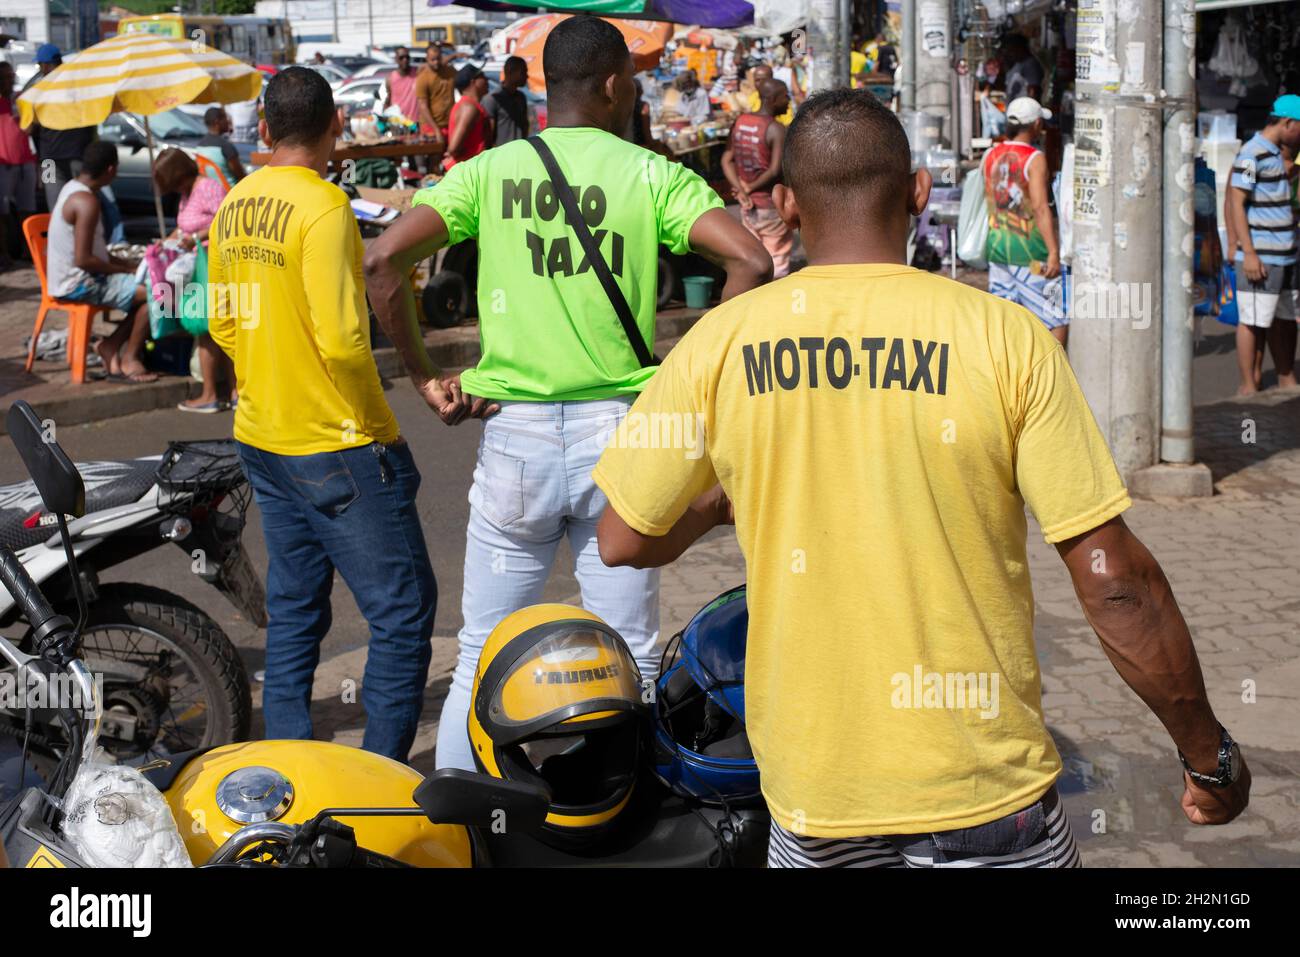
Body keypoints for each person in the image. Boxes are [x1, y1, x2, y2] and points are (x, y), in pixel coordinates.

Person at [592, 88, 1251, 868]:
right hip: (991, 795)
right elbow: (1113, 578)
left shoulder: (722, 342)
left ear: (791, 204)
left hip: (817, 798)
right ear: (917, 192)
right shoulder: (1006, 336)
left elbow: (623, 537)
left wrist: (719, 505)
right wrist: (1208, 753)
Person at [364, 14, 771, 772]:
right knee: (633, 653)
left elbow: (384, 260)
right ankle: (634, 819)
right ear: (615, 84)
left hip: (513, 435)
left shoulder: (491, 171)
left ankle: (459, 822)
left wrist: (424, 374)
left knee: (485, 646)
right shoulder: (652, 175)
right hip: (624, 437)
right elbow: (748, 258)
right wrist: (689, 381)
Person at [207, 67, 437, 763]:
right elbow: (342, 340)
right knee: (401, 615)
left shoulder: (234, 203)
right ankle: (379, 781)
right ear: (336, 126)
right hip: (333, 445)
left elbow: (221, 323)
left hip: (261, 437)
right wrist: (381, 430)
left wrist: (267, 370)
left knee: (297, 607)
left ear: (267, 132)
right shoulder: (326, 208)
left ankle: (288, 770)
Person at [45, 141, 154, 382]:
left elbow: (96, 253)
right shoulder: (87, 202)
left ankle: (111, 346)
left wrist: (130, 266)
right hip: (78, 283)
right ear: (111, 170)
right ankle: (128, 358)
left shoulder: (71, 188)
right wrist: (124, 268)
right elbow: (84, 260)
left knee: (150, 289)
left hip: (72, 277)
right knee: (159, 293)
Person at [1225, 93, 1300, 394]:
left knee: (1284, 318)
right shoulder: (1252, 154)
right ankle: (1248, 386)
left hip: (1285, 254)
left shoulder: (1277, 154)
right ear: (1288, 122)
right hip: (1261, 255)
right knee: (1252, 321)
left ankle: (1286, 377)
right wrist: (1248, 251)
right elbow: (1236, 201)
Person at [151, 148, 236, 413]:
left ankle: (214, 394)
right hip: (197, 266)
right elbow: (185, 226)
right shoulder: (187, 193)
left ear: (179, 175)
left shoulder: (208, 187)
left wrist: (196, 238)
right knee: (213, 326)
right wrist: (169, 241)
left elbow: (225, 218)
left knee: (210, 327)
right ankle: (231, 393)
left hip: (212, 265)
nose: (175, 189)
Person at [983, 97, 1066, 345]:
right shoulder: (1034, 158)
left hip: (997, 250)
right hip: (1031, 255)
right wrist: (1053, 253)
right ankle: (1056, 377)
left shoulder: (990, 155)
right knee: (1056, 318)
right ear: (1036, 123)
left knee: (1004, 322)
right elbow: (1040, 208)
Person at [722, 78, 795, 279]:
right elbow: (774, 171)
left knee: (754, 257)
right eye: (784, 96)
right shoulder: (775, 129)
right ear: (772, 99)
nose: (788, 100)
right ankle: (775, 302)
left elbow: (727, 160)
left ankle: (756, 298)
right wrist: (749, 188)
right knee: (777, 258)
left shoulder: (741, 122)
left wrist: (741, 189)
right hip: (769, 205)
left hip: (747, 205)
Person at [21, 45, 98, 211]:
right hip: (78, 155)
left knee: (54, 205)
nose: (40, 69)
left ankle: (58, 236)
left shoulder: (39, 91)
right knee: (84, 201)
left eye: (40, 65)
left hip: (48, 160)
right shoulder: (79, 85)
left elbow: (28, 128)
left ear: (46, 65)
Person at [0, 60, 37, 270]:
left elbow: (31, 130)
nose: (8, 81)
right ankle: (4, 253)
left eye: (10, 77)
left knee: (28, 210)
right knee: (2, 212)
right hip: (4, 165)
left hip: (28, 164)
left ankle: (29, 250)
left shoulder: (20, 99)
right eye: (3, 78)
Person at [443, 65, 489, 170]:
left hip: (469, 169)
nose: (487, 80)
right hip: (467, 171)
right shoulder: (469, 107)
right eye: (482, 76)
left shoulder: (469, 105)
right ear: (473, 82)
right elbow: (453, 148)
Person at [414, 42, 457, 152]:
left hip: (449, 124)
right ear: (427, 59)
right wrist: (436, 130)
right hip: (431, 126)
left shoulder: (450, 71)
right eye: (432, 60)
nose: (436, 62)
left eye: (438, 58)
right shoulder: (423, 78)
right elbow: (423, 107)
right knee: (435, 158)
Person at [482, 55, 530, 146]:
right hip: (501, 157)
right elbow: (488, 136)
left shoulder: (521, 97)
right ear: (511, 72)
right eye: (523, 72)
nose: (527, 76)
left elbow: (525, 127)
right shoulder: (492, 99)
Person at [196, 107, 247, 186]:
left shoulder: (200, 146)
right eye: (225, 118)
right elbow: (241, 176)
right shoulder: (225, 146)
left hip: (210, 192)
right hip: (229, 193)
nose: (228, 122)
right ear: (217, 122)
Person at [381, 46, 420, 124]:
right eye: (401, 58)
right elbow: (388, 101)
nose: (405, 60)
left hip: (416, 123)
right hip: (399, 124)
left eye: (407, 57)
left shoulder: (418, 73)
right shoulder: (390, 79)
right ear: (396, 59)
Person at [1001, 33, 1044, 103]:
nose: (1010, 54)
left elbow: (1033, 91)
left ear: (1019, 48)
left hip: (1024, 111)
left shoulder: (1030, 64)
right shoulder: (1017, 64)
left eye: (1011, 50)